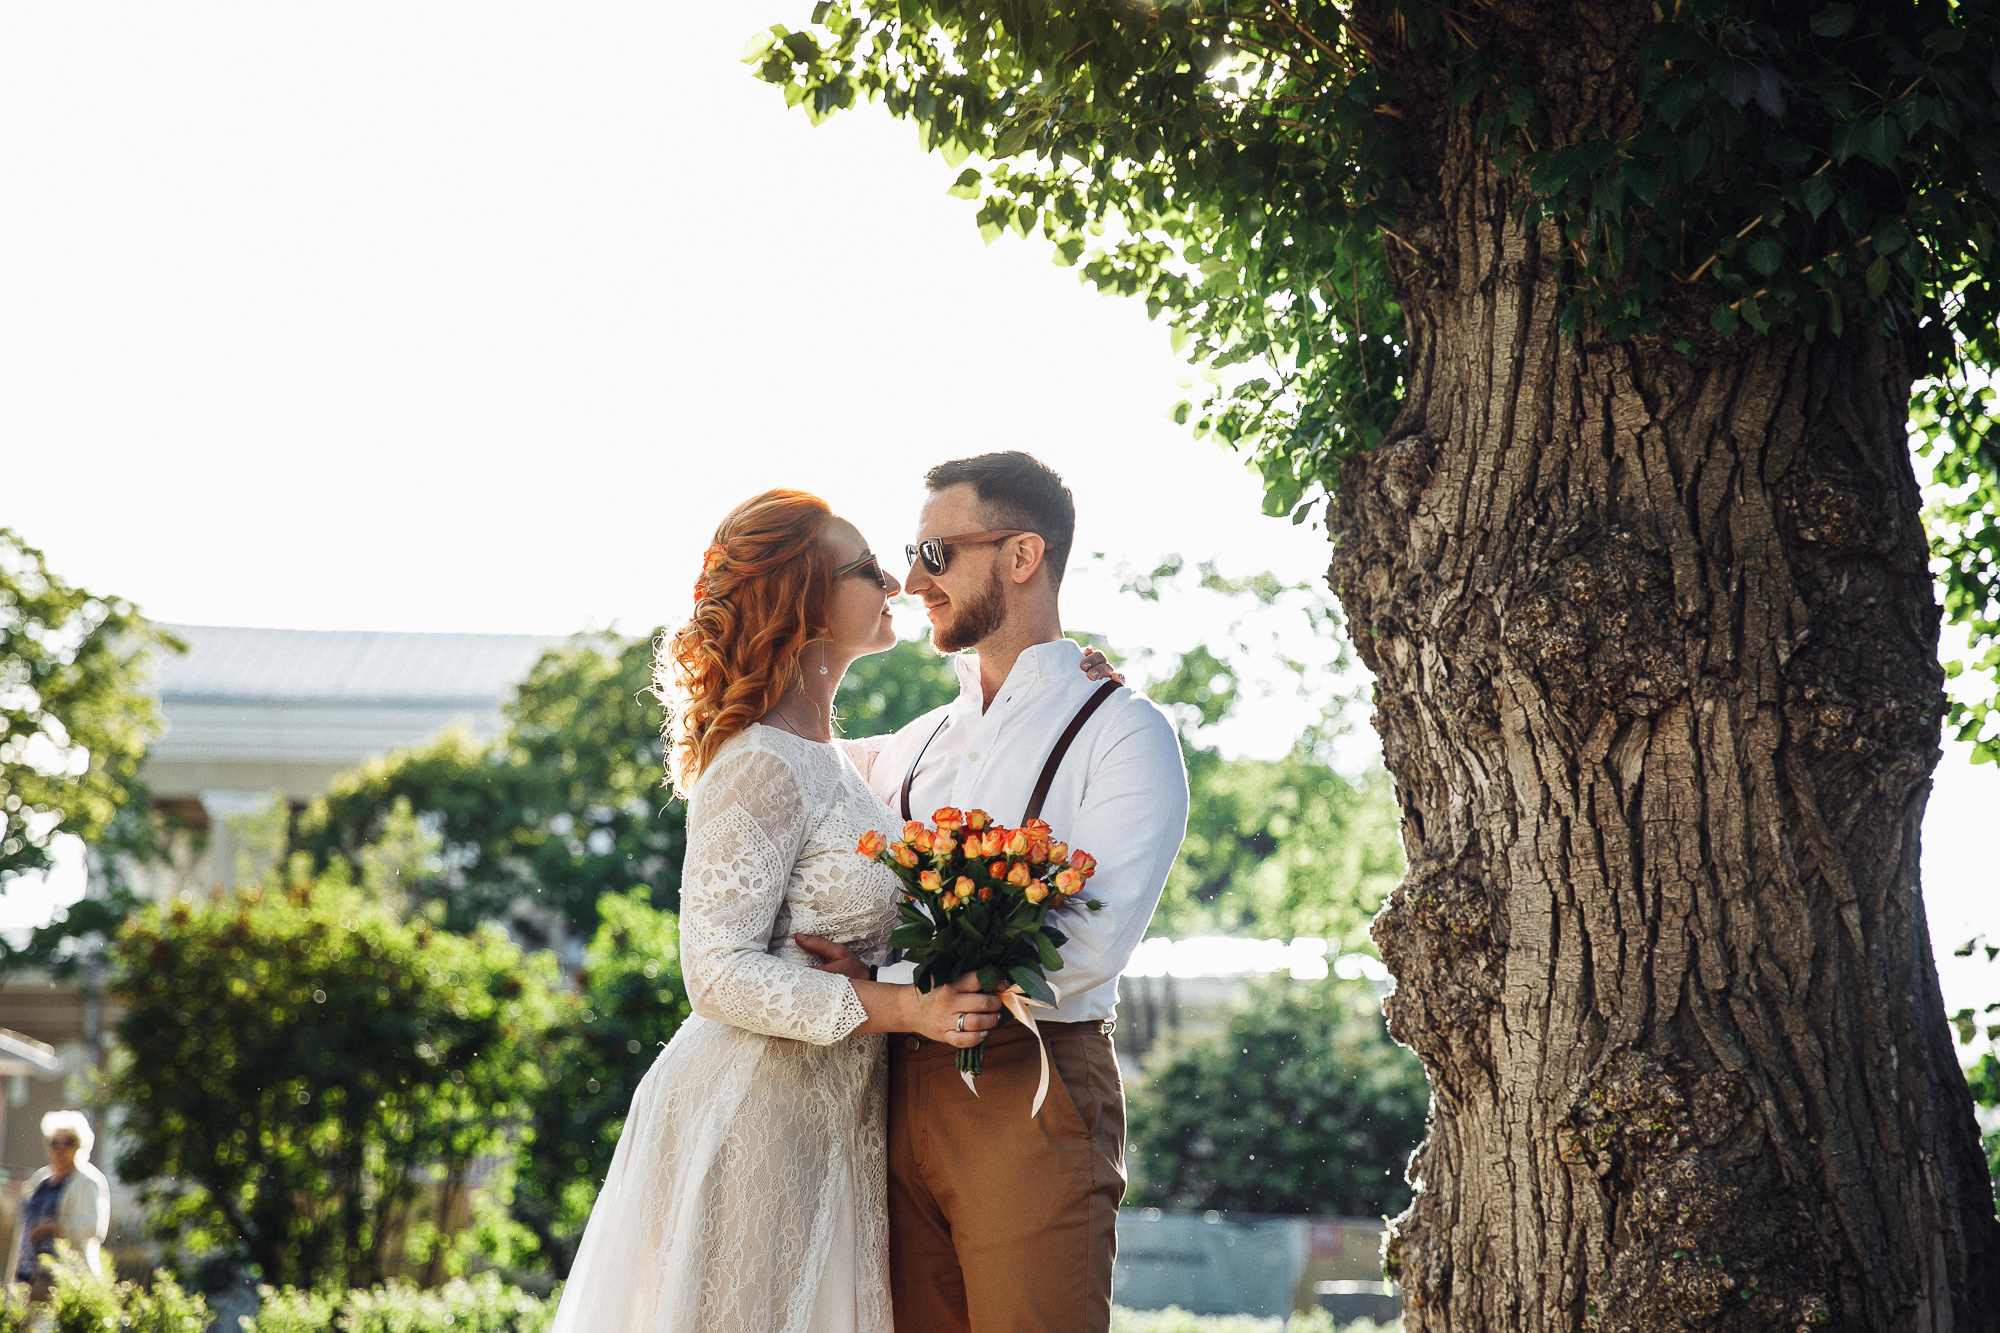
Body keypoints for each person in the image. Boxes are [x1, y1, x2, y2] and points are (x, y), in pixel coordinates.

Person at [547, 488, 1123, 1333]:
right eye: (867, 568)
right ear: (807, 603)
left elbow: (985, 725)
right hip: (753, 1114)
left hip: (834, 1121)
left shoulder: (839, 758)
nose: (896, 579)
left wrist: (1072, 683)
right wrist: (904, 1006)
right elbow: (715, 971)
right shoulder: (754, 762)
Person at [803, 451, 1190, 1333]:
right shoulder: (912, 743)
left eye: (936, 554)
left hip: (1030, 1084)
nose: (910, 580)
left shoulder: (1122, 732)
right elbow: (797, 789)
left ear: (1022, 556)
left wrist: (882, 980)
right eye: (910, 553)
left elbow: (1083, 947)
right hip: (879, 1093)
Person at [13, 1110, 111, 1300]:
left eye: (69, 1142)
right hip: (30, 1273)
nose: (60, 1148)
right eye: (55, 1142)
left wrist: (55, 1227)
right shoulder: (41, 1179)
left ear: (80, 1146)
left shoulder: (89, 1181)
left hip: (67, 1275)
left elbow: (95, 1228)